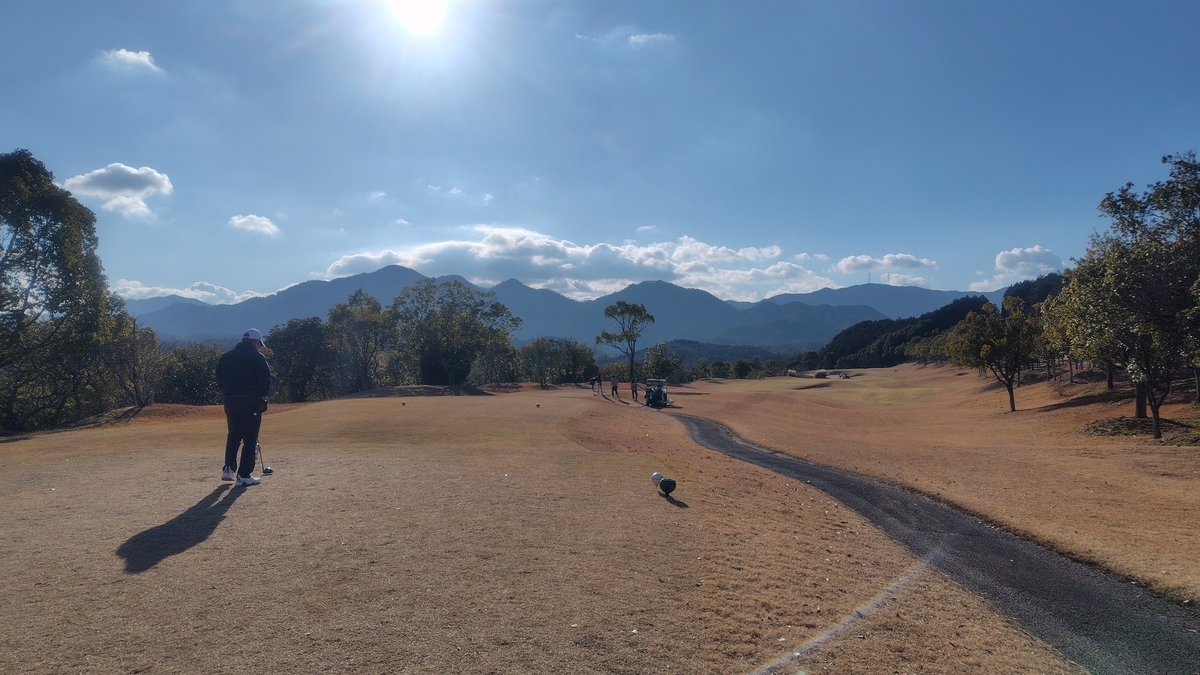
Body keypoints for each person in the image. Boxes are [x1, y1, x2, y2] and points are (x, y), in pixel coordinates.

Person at [216, 328, 272, 486]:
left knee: (233, 435)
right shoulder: (256, 357)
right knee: (250, 438)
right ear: (255, 342)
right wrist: (262, 396)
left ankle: (228, 468)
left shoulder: (226, 356)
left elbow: (219, 378)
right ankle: (244, 475)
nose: (259, 347)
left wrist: (228, 392)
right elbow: (265, 381)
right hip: (250, 401)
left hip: (229, 401)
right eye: (259, 344)